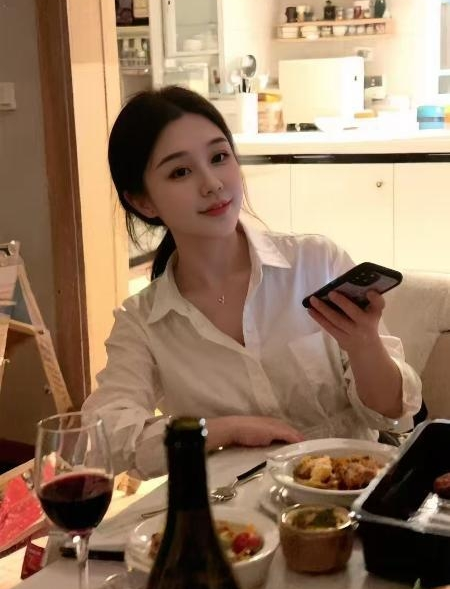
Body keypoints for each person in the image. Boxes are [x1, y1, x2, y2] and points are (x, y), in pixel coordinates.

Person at [83, 87, 422, 478]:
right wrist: (224, 429)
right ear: (144, 202)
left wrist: (365, 346)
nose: (212, 183)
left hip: (351, 492)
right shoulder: (143, 321)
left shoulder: (315, 262)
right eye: (180, 172)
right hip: (235, 511)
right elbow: (104, 440)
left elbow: (391, 412)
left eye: (219, 157)